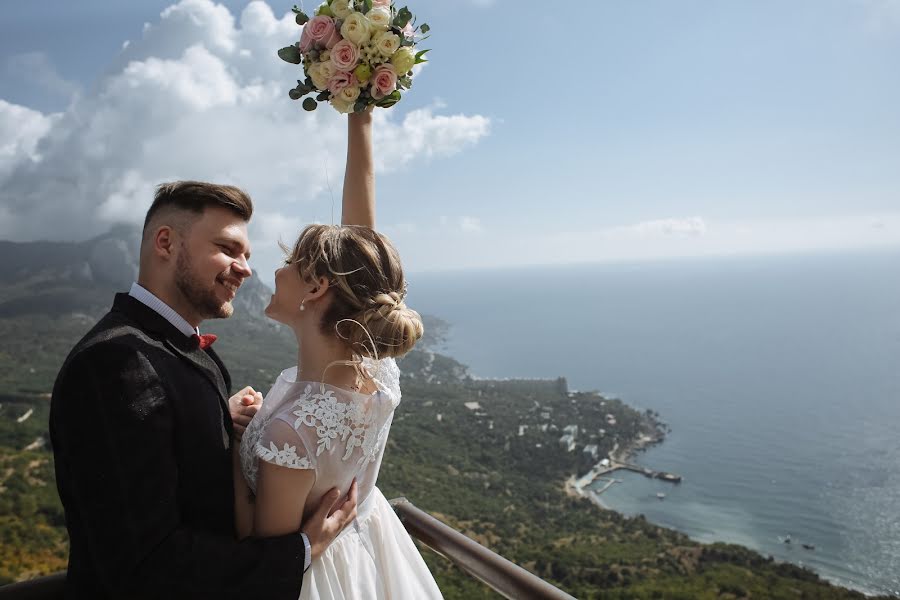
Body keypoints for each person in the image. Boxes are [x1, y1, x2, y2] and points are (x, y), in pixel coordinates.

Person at [48, 114, 384, 598]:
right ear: (165, 243)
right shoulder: (114, 364)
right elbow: (144, 564)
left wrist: (214, 426)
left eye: (247, 254)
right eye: (228, 249)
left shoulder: (166, 348)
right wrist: (301, 551)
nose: (246, 270)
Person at [235, 109, 443, 599]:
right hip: (368, 558)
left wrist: (228, 442)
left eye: (289, 263)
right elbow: (363, 243)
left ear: (316, 287)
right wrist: (360, 117)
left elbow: (259, 551)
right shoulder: (376, 371)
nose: (275, 272)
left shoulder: (294, 430)